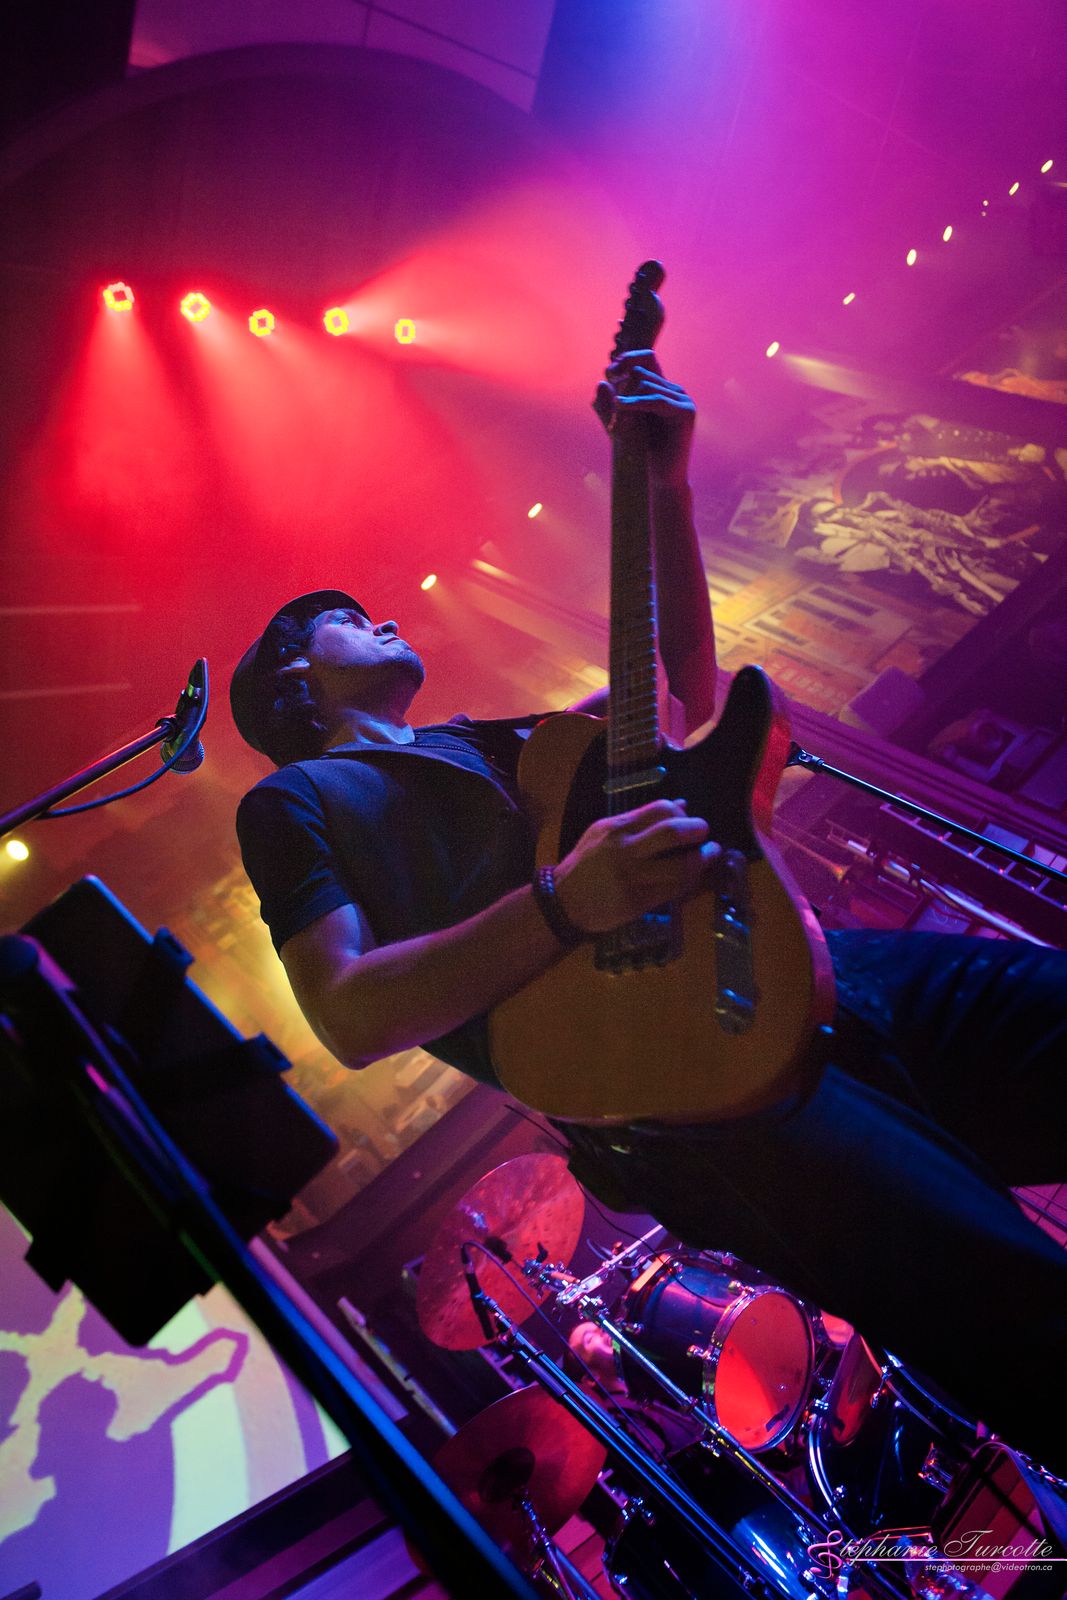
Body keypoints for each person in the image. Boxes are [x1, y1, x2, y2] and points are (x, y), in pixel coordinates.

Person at [230, 354, 1067, 1473]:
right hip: (694, 1096)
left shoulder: (496, 741)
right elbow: (348, 1011)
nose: (377, 615)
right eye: (343, 620)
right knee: (1022, 1314)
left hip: (814, 969)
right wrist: (566, 901)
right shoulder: (293, 802)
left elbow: (677, 694)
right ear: (294, 684)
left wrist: (662, 488)